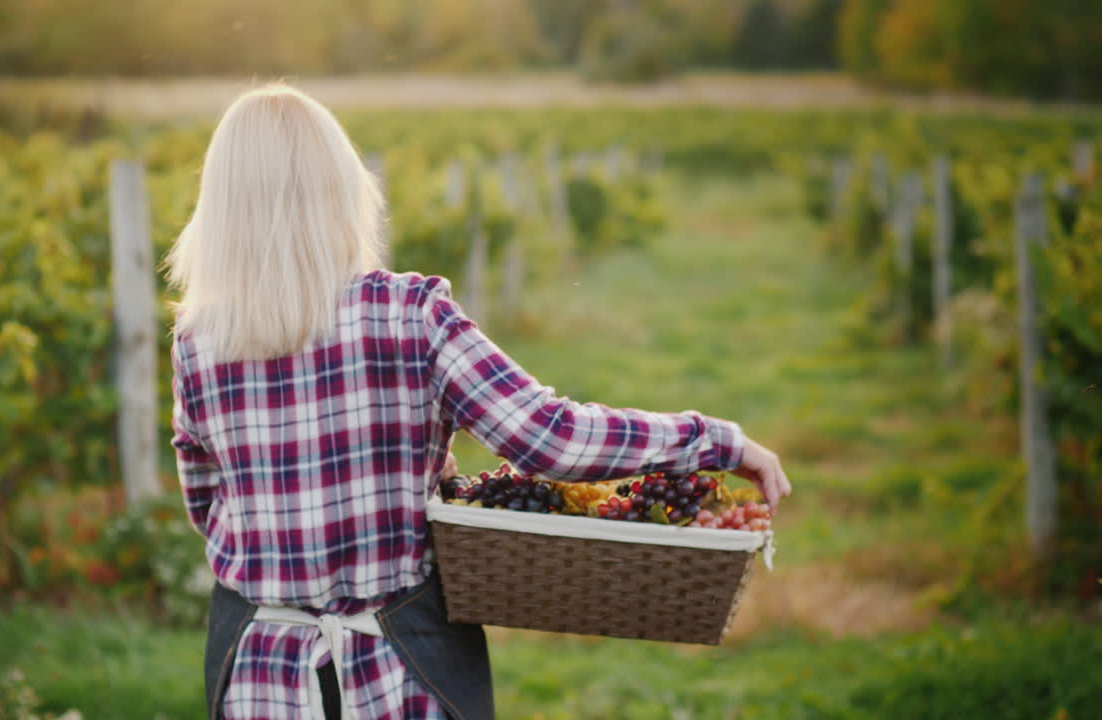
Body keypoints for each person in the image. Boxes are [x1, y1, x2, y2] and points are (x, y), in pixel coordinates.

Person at [166, 83, 791, 720]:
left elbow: (207, 506)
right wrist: (716, 440)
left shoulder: (196, 345)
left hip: (262, 680)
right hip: (398, 672)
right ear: (340, 190)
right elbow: (551, 439)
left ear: (221, 206)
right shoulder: (409, 315)